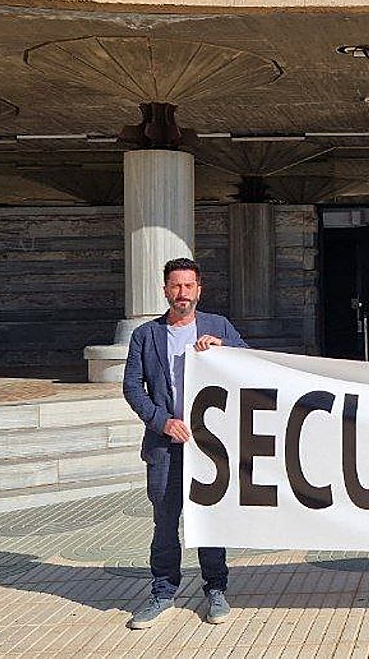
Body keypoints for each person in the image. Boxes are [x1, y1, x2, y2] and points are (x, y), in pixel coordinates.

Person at [122, 257, 247, 629]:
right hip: (166, 446)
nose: (183, 293)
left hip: (208, 446)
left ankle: (216, 590)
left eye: (189, 286)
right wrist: (163, 422)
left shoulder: (217, 325)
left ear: (199, 290)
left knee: (209, 518)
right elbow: (132, 387)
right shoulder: (146, 335)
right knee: (165, 521)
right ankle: (162, 592)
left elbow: (250, 360)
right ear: (165, 290)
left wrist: (224, 347)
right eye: (176, 286)